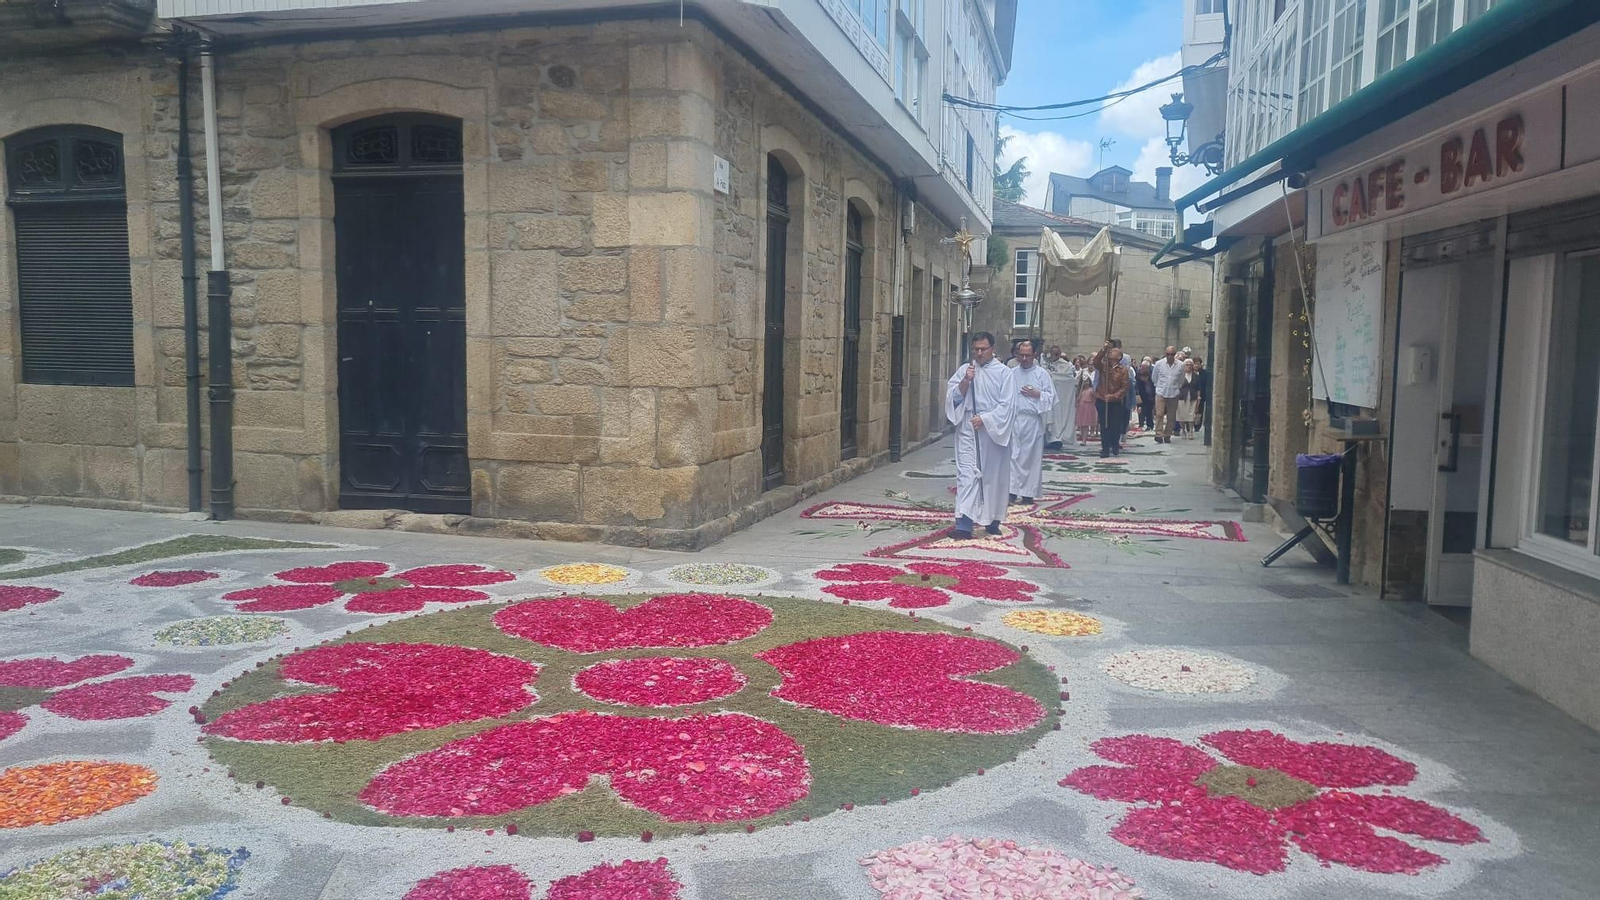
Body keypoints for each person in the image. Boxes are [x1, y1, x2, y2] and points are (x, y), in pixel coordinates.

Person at [945, 332, 1015, 539]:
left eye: (983, 349)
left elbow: (1008, 405)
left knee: (993, 476)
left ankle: (993, 519)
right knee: (967, 475)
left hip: (993, 431)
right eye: (976, 349)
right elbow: (953, 398)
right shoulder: (965, 370)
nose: (979, 352)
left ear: (993, 348)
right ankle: (964, 523)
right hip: (968, 427)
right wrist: (966, 381)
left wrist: (986, 419)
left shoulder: (1004, 373)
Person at [1008, 339, 1057, 505]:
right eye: (1021, 355)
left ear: (1034, 355)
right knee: (1012, 456)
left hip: (1031, 420)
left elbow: (1052, 398)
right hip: (1014, 419)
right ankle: (1012, 491)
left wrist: (1037, 394)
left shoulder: (1042, 374)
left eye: (1027, 355)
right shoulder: (1011, 373)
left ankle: (1028, 493)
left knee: (1030, 457)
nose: (1024, 358)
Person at [1089, 340, 1130, 457]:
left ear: (1119, 357)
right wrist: (1104, 349)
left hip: (1115, 401)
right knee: (1104, 424)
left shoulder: (1123, 370)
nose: (1111, 352)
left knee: (1115, 425)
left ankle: (1115, 444)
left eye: (1113, 351)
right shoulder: (1104, 366)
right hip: (1102, 398)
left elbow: (1125, 387)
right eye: (1110, 351)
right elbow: (1096, 362)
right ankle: (1105, 448)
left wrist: (1113, 396)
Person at [1150, 345, 1185, 444]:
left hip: (1173, 392)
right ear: (1165, 354)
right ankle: (1158, 434)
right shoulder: (1159, 364)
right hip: (1161, 391)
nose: (1170, 356)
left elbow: (1181, 379)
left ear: (1175, 355)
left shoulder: (1180, 365)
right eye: (1168, 354)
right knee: (1159, 413)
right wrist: (1158, 386)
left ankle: (1167, 434)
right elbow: (1154, 377)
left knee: (1171, 416)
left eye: (1172, 354)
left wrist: (1177, 387)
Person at [1074, 361, 1097, 445]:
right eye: (1085, 382)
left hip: (1089, 408)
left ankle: (1084, 439)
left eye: (1087, 381)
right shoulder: (1081, 391)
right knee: (1082, 424)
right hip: (1081, 408)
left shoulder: (1091, 390)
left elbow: (1095, 397)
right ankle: (1082, 437)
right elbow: (1077, 399)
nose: (1086, 383)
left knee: (1086, 424)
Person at [1177, 359, 1200, 438]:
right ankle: (1183, 431)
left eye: (1190, 365)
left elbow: (1198, 388)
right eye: (1187, 365)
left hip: (1193, 397)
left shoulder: (1196, 376)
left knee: (1191, 415)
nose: (1189, 366)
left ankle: (1191, 431)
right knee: (1182, 415)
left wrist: (1198, 398)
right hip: (1182, 397)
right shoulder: (1180, 375)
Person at [1135, 360, 1156, 431]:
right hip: (1142, 395)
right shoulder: (1138, 376)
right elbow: (1137, 387)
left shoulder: (1152, 374)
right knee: (1142, 410)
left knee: (1149, 411)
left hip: (1151, 395)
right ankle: (1143, 424)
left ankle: (1150, 425)